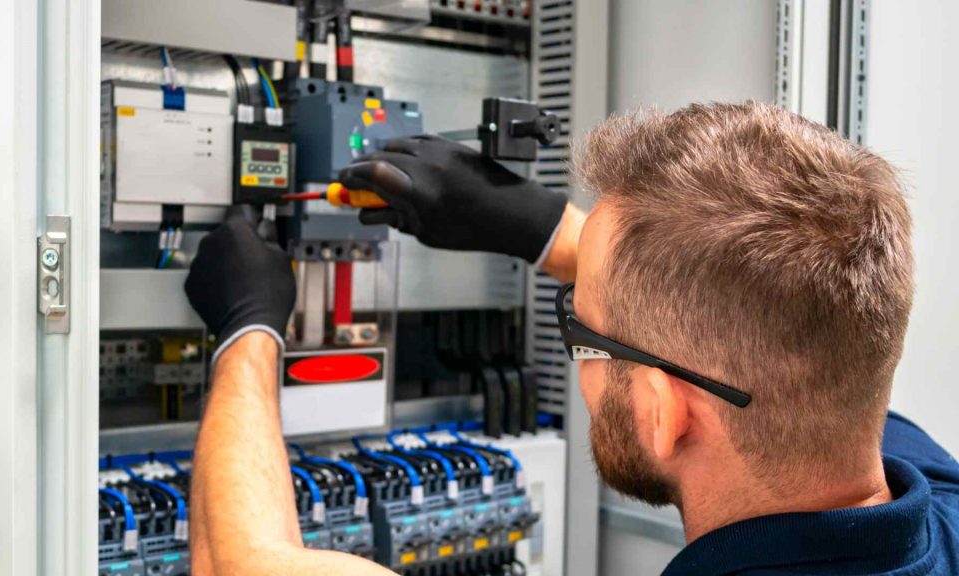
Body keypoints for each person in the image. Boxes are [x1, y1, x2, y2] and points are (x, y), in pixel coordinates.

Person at [183, 102, 959, 575]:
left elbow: (238, 564)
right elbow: (773, 314)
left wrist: (248, 329)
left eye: (579, 325)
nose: (576, 345)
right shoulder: (933, 501)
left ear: (663, 410)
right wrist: (543, 226)